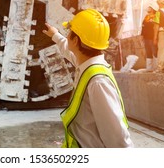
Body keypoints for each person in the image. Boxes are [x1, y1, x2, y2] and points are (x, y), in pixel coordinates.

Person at [42, 9, 134, 148]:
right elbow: (69, 52)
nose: (67, 36)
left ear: (75, 40)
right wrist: (55, 35)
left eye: (69, 33)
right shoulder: (86, 64)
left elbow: (117, 138)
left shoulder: (97, 82)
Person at [141, 2, 158, 71]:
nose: (148, 9)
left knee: (155, 52)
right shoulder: (146, 17)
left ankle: (157, 67)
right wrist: (142, 36)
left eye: (149, 7)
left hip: (152, 37)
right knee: (148, 52)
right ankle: (149, 68)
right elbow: (143, 27)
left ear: (153, 9)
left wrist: (155, 38)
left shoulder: (156, 16)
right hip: (146, 38)